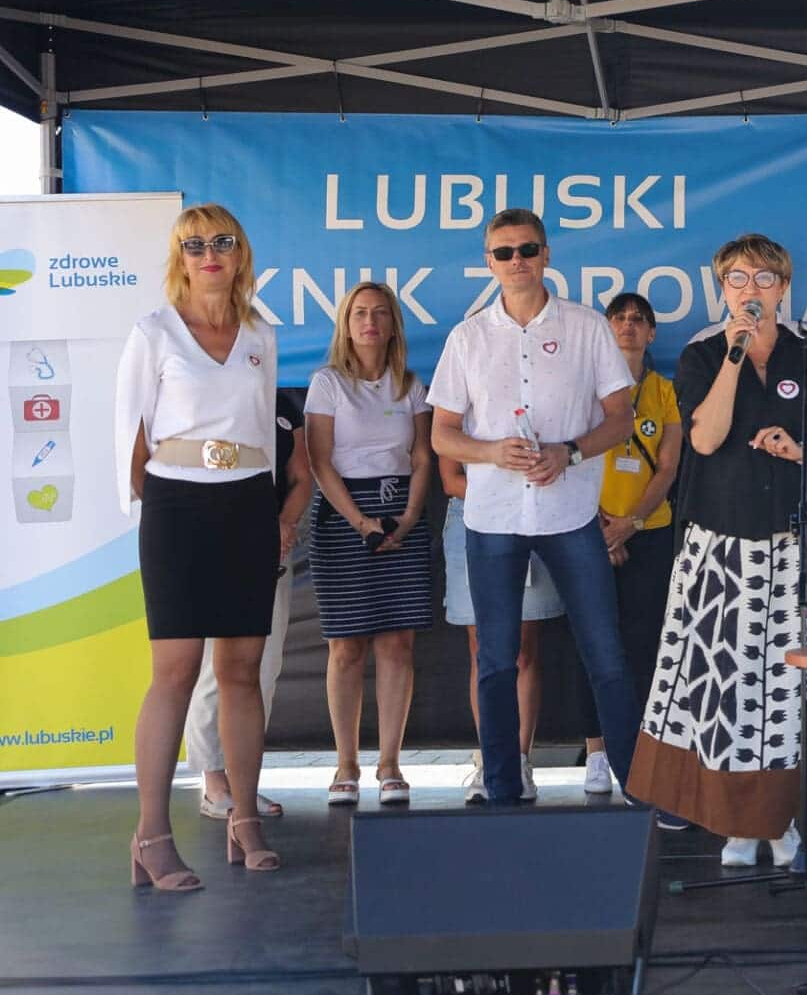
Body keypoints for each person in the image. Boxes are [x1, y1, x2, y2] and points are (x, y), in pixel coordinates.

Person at [628, 234, 807, 866]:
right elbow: (704, 440)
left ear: (784, 287)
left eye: (762, 279)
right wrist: (735, 355)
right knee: (724, 692)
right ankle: (735, 823)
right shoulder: (704, 355)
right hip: (721, 549)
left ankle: (781, 821)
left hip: (796, 547)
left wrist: (799, 452)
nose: (749, 291)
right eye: (736, 280)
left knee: (787, 690)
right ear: (720, 289)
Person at [428, 208, 639, 805]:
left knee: (605, 652)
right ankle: (501, 786)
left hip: (570, 514)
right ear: (487, 263)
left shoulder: (586, 326)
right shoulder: (466, 338)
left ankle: (634, 782)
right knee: (495, 658)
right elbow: (443, 434)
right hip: (493, 517)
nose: (516, 261)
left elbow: (619, 419)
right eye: (503, 253)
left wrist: (568, 452)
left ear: (547, 255)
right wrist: (491, 449)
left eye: (526, 249)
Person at [116, 204, 280, 887]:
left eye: (221, 242)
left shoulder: (261, 336)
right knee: (176, 670)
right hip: (177, 505)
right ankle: (152, 835)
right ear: (179, 258)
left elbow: (268, 432)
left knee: (242, 670)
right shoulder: (152, 332)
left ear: (239, 254)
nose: (208, 253)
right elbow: (130, 436)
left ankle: (245, 821)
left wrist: (263, 508)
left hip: (247, 501)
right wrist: (165, 510)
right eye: (194, 244)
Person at [305, 281, 434, 806]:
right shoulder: (327, 382)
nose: (370, 322)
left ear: (393, 323)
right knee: (346, 647)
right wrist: (361, 522)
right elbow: (319, 460)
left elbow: (424, 456)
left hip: (402, 510)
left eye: (380, 313)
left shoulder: (411, 384)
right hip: (344, 518)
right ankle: (346, 765)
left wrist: (406, 518)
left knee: (397, 645)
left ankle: (389, 764)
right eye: (360, 313)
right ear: (346, 322)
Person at [568, 292, 683, 795]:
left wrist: (631, 523)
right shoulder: (585, 390)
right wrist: (602, 526)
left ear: (652, 333)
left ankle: (637, 747)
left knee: (641, 644)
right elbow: (573, 458)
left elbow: (669, 467)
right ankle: (596, 750)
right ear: (606, 330)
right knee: (591, 644)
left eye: (639, 320)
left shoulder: (664, 390)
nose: (629, 326)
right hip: (587, 529)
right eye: (620, 318)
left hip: (649, 533)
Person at [185, 390, 312, 820]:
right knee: (213, 671)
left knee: (265, 668)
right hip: (215, 547)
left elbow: (302, 477)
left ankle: (246, 781)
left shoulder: (282, 402)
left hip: (271, 551)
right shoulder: (203, 399)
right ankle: (213, 780)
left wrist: (284, 523)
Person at [442, 450, 563, 804]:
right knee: (483, 648)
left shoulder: (533, 397)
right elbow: (450, 479)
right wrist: (500, 495)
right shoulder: (459, 400)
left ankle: (520, 761)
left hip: (531, 515)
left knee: (524, 650)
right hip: (472, 518)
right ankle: (493, 761)